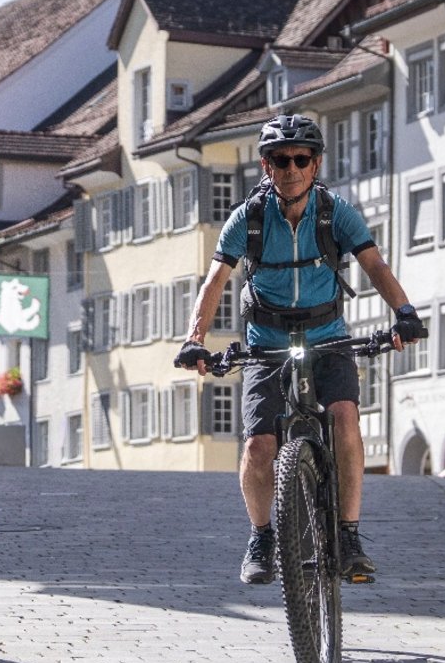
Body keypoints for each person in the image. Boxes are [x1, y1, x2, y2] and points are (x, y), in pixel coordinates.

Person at [174, 113, 426, 586]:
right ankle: (262, 535)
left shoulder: (335, 213)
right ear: (266, 166)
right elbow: (215, 282)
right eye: (279, 159)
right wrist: (194, 340)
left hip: (328, 334)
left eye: (301, 158)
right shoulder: (247, 218)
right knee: (258, 443)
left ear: (316, 164)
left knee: (346, 416)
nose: (290, 167)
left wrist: (404, 312)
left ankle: (349, 534)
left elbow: (375, 265)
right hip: (266, 340)